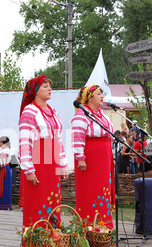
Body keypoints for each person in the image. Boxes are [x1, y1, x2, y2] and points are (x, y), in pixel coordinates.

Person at [19, 75, 69, 233]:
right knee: (37, 200)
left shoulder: (52, 111)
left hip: (52, 160)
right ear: (35, 91)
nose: (49, 89)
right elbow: (24, 141)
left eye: (50, 85)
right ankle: (38, 242)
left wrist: (62, 165)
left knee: (53, 200)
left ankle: (53, 238)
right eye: (45, 86)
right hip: (38, 161)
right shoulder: (29, 111)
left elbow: (58, 139)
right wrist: (28, 169)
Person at [71, 84, 114, 230]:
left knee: (103, 190)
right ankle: (89, 227)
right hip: (90, 159)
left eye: (102, 94)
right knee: (90, 191)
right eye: (98, 94)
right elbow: (77, 137)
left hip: (104, 158)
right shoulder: (81, 115)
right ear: (89, 97)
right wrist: (80, 158)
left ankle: (104, 228)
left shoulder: (102, 114)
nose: (102, 96)